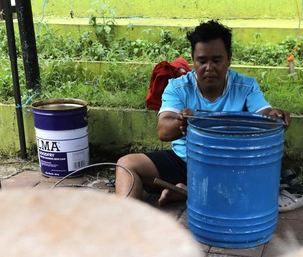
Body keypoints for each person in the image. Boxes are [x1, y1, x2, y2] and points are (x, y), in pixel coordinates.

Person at [115, 20, 292, 205]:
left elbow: (266, 117)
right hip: (186, 161)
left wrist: (277, 118)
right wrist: (181, 122)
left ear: (229, 58)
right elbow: (163, 130)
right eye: (202, 60)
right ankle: (126, 222)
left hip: (229, 166)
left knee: (257, 177)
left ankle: (188, 191)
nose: (209, 67)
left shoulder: (245, 87)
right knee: (127, 165)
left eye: (217, 60)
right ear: (193, 59)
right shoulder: (177, 87)